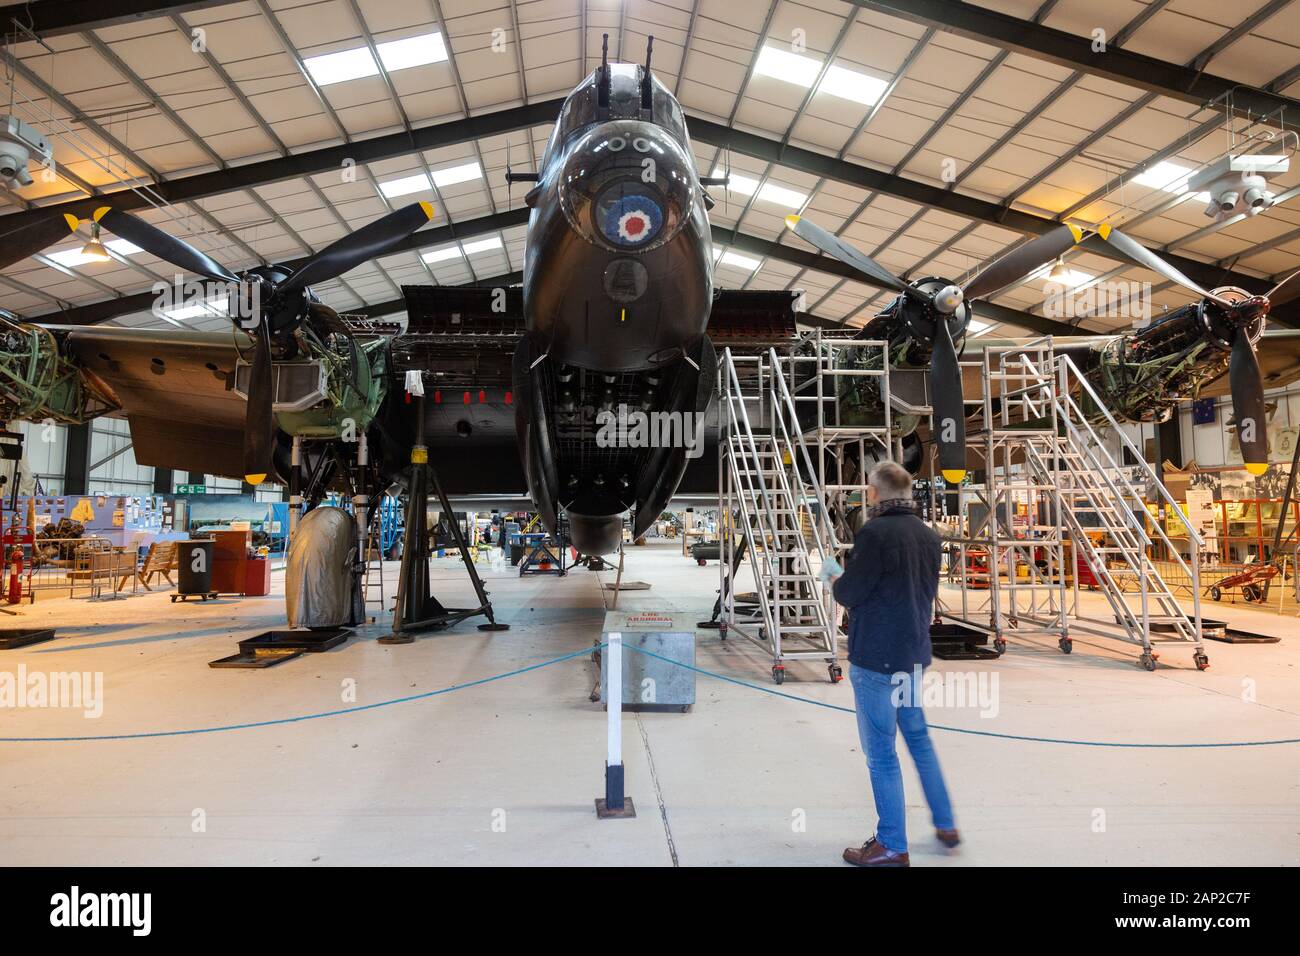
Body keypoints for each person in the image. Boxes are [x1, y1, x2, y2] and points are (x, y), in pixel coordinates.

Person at [829, 461, 958, 867]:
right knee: (918, 740)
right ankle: (946, 823)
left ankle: (891, 844)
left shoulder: (874, 534)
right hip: (912, 655)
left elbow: (851, 593)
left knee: (881, 754)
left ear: (877, 493)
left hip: (875, 660)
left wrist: (833, 576)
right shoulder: (928, 536)